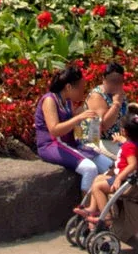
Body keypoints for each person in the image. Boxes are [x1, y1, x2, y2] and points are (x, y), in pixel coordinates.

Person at [34, 65, 110, 195]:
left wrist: (85, 126)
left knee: (109, 165)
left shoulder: (67, 102)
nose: (82, 92)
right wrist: (78, 117)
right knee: (89, 168)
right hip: (51, 145)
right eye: (80, 88)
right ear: (68, 87)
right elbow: (54, 130)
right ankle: (86, 206)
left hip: (69, 144)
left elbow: (73, 126)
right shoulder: (49, 100)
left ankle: (106, 202)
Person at [85, 62, 129, 159]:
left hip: (118, 139)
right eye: (112, 81)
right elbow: (103, 126)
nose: (116, 85)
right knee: (129, 156)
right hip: (99, 142)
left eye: (119, 81)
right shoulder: (97, 96)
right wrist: (116, 104)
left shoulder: (119, 93)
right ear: (104, 79)